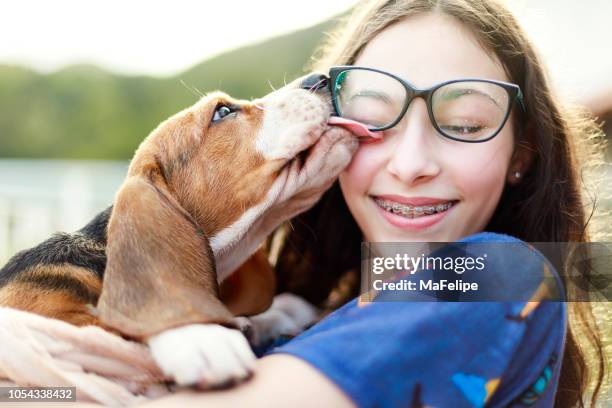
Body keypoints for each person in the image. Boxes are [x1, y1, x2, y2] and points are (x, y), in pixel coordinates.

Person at [102, 0, 610, 407]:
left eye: (464, 126)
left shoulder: (504, 278)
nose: (411, 164)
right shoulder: (297, 313)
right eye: (373, 116)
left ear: (521, 155)